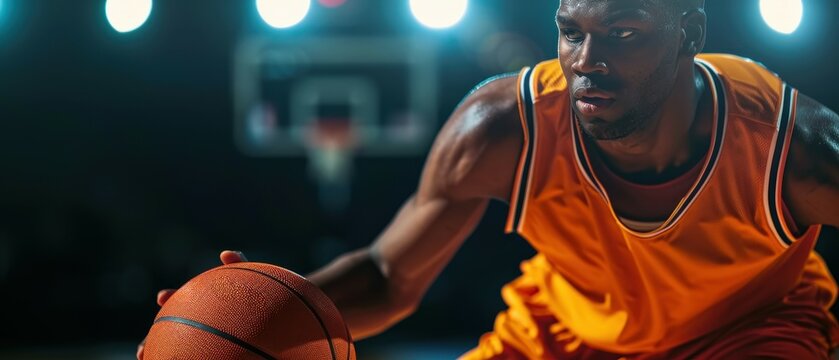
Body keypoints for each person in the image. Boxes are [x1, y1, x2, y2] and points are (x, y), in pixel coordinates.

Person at [140, 0, 839, 358]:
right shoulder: (502, 126)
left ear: (688, 30)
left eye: (622, 34)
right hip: (566, 334)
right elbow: (389, 275)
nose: (587, 60)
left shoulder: (793, 147)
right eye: (571, 31)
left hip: (749, 332)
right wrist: (260, 309)